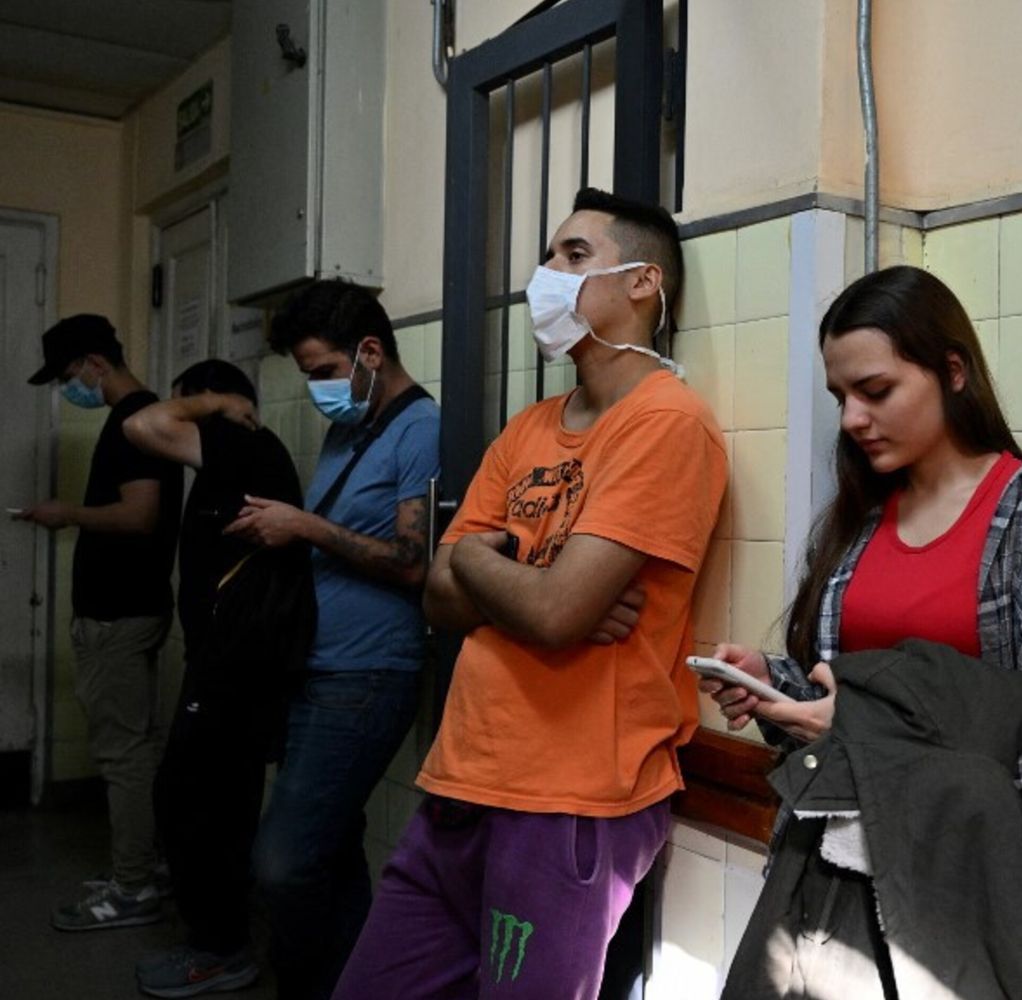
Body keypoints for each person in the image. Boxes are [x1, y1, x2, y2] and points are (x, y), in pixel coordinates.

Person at [331, 188, 727, 1000]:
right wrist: (519, 580)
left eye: (573, 257)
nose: (544, 276)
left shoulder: (666, 423)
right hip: (462, 779)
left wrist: (485, 565)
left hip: (571, 801)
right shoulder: (530, 428)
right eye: (548, 256)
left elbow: (552, 613)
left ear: (644, 282)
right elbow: (439, 598)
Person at [702, 265, 1022, 997]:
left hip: (966, 902)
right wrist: (778, 687)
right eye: (841, 397)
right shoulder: (860, 520)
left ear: (953, 371)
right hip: (829, 883)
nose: (851, 419)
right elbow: (846, 695)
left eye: (876, 391)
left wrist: (869, 730)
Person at [233, 281, 440, 1000]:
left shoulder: (420, 428)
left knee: (282, 862)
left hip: (367, 674)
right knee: (330, 847)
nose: (319, 387)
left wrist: (304, 526)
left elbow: (415, 562)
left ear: (370, 352)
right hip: (317, 667)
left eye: (324, 371)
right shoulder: (351, 428)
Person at [122, 359, 309, 997]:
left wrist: (211, 406)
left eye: (189, 406)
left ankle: (221, 949)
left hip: (239, 663)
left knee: (192, 800)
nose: (181, 422)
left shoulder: (237, 438)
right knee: (208, 801)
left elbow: (142, 425)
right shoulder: (237, 455)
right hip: (234, 658)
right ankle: (218, 940)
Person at [17, 314, 182, 931]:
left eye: (68, 376)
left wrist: (69, 513)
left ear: (93, 363)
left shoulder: (135, 421)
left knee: (124, 755)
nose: (70, 390)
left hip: (120, 612)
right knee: (136, 744)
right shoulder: (136, 419)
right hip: (124, 608)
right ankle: (143, 866)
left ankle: (133, 887)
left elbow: (140, 516)